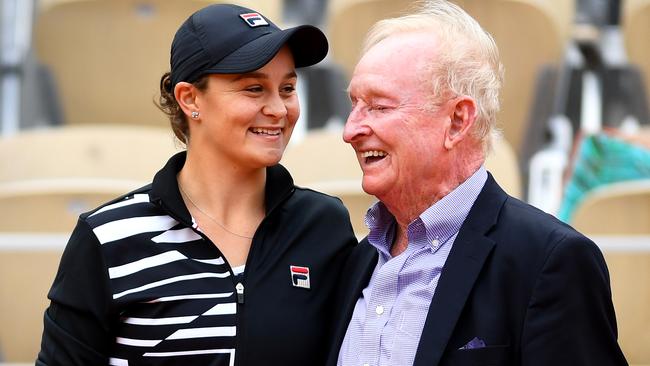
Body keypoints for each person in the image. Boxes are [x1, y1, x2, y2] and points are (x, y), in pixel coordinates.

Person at [37, 4, 356, 366]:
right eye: (254, 88)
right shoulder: (108, 237)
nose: (279, 109)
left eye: (286, 88)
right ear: (189, 99)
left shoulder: (323, 225)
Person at [329, 1, 628, 365]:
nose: (350, 131)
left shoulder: (549, 262)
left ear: (457, 121)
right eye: (354, 105)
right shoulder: (356, 261)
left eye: (379, 107)